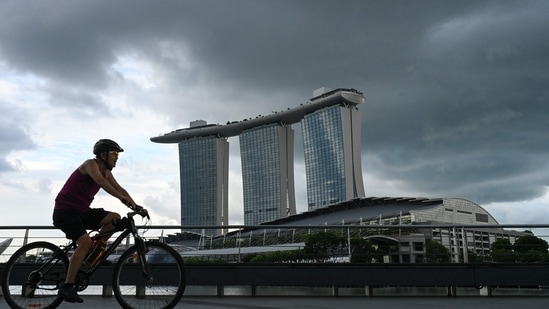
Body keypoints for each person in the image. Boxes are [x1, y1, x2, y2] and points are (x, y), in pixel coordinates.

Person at [52, 139, 137, 303]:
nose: (116, 157)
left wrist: (136, 206)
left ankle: (95, 250)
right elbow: (100, 182)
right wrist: (122, 198)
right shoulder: (90, 164)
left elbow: (121, 189)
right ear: (103, 155)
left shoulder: (107, 172)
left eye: (117, 154)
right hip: (65, 211)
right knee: (84, 242)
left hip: (82, 211)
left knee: (115, 218)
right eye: (114, 154)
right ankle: (67, 286)